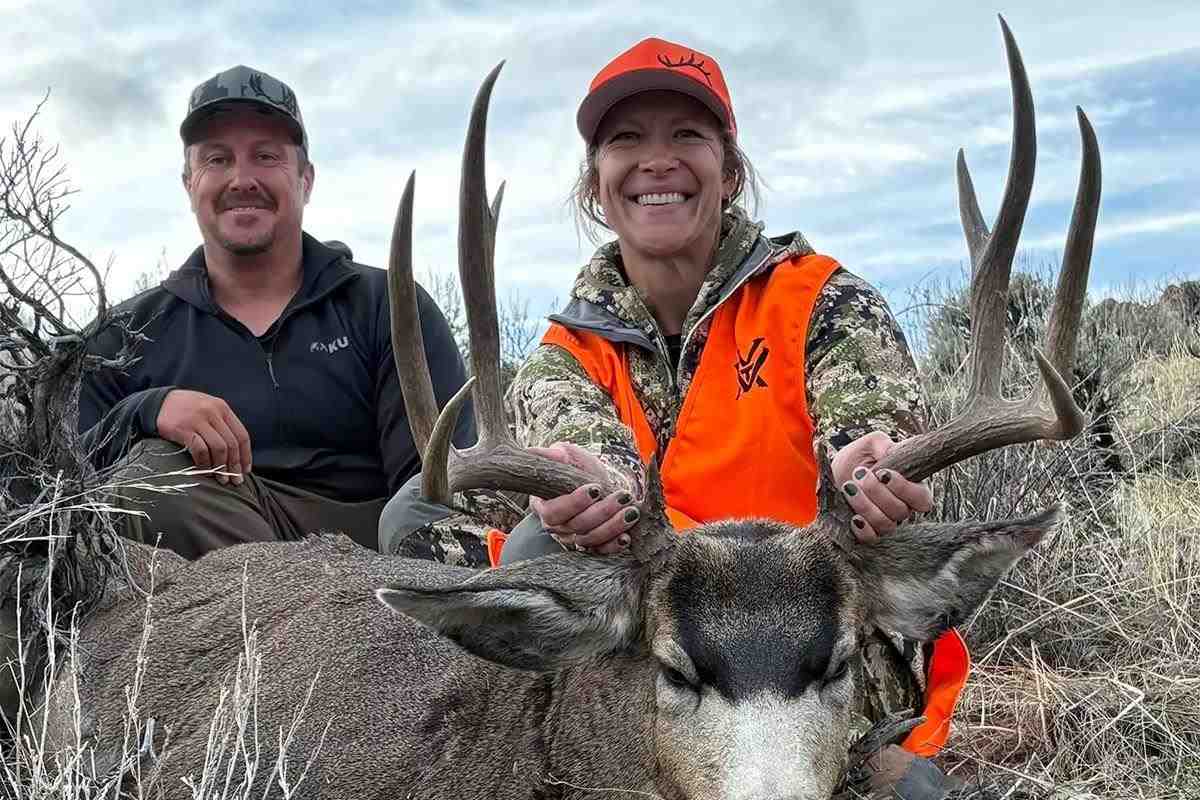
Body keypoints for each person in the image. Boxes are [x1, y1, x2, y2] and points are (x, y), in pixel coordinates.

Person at [381, 38, 965, 797]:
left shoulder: (819, 299)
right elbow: (584, 442)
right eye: (626, 140)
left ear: (731, 170)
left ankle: (844, 755)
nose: (657, 160)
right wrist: (578, 489)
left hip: (807, 625)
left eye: (686, 136)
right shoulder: (570, 344)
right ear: (596, 183)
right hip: (663, 610)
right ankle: (516, 737)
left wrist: (872, 469)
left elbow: (870, 422)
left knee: (533, 554)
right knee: (418, 509)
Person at [79, 65, 474, 559]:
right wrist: (145, 412)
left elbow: (437, 486)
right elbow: (53, 483)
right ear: (189, 184)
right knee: (151, 479)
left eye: (266, 156)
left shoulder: (389, 305)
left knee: (428, 505)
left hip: (371, 561)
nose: (242, 179)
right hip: (209, 573)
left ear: (305, 180)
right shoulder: (124, 335)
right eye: (217, 159)